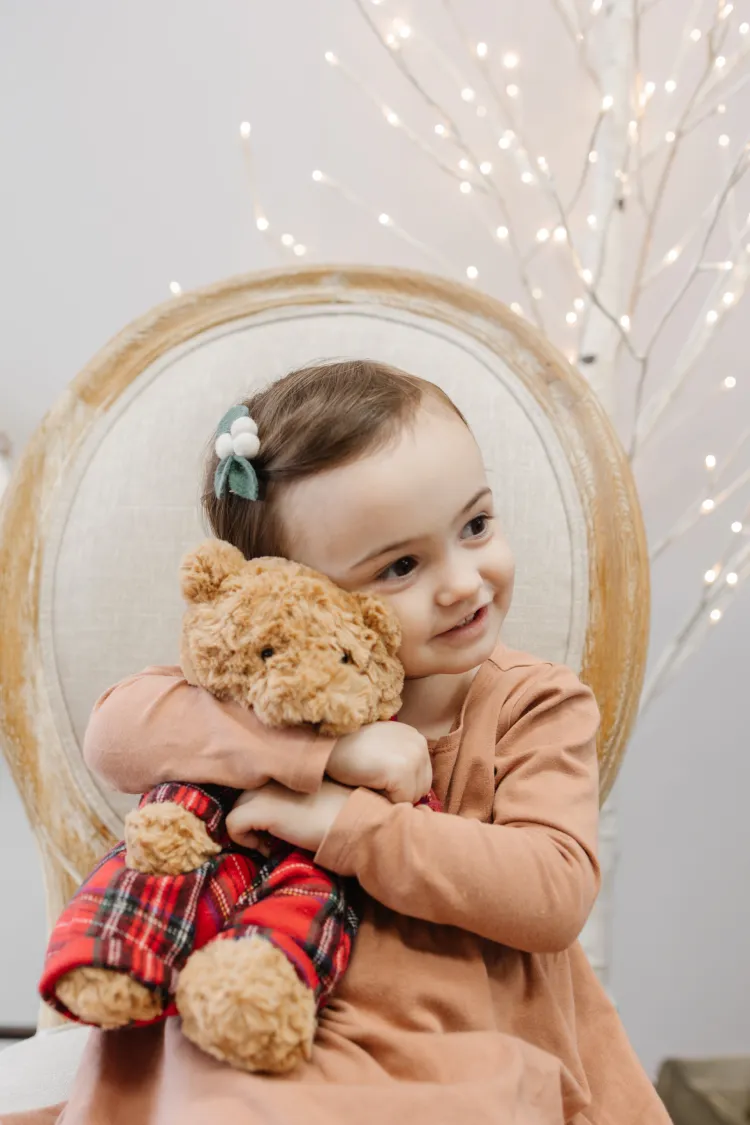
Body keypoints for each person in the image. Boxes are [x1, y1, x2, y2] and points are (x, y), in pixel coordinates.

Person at [12, 360, 670, 1125]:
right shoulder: (266, 683)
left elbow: (552, 891)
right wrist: (326, 754)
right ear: (292, 589)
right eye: (400, 565)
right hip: (267, 1016)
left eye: (476, 525)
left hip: (453, 1029)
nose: (463, 581)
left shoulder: (532, 702)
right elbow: (116, 732)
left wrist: (346, 823)